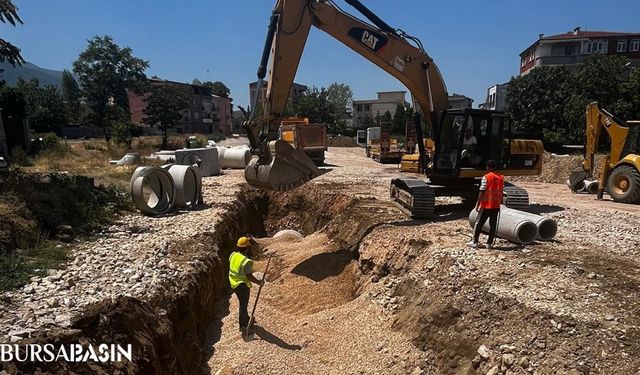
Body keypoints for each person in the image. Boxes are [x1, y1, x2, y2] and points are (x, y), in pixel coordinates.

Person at [229, 236, 264, 336]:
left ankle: (246, 318)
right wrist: (259, 282)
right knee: (243, 305)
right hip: (242, 285)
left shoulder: (233, 255)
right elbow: (249, 276)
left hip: (233, 283)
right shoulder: (246, 261)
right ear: (247, 248)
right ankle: (243, 325)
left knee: (242, 303)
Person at [468, 160, 504, 249]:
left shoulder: (486, 177)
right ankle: (489, 244)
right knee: (493, 225)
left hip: (486, 205)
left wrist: (478, 203)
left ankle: (475, 242)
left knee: (479, 223)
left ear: (487, 167)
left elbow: (482, 190)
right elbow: (500, 191)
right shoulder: (501, 177)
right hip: (496, 205)